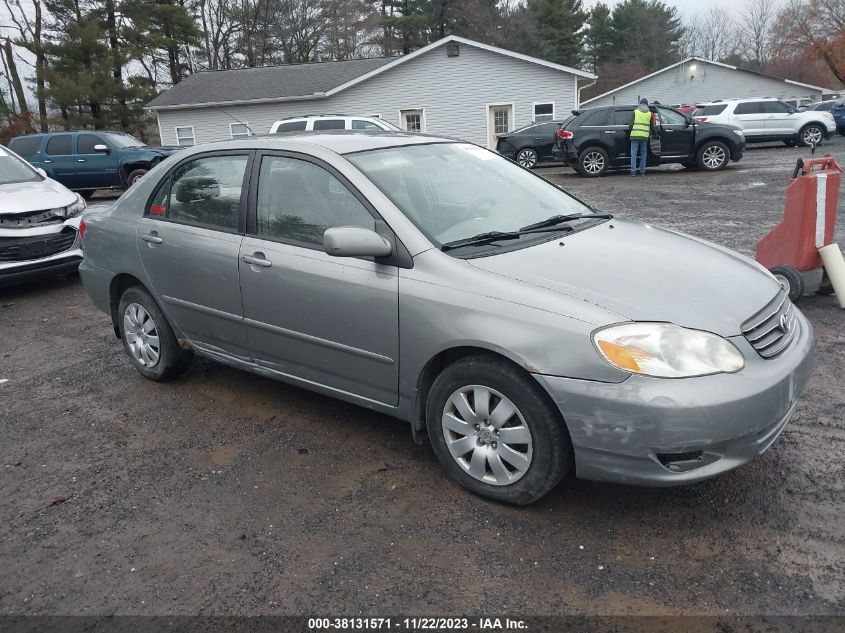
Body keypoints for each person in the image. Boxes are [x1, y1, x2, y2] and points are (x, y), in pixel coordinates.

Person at [629, 98, 655, 175]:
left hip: (635, 136)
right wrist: (655, 133)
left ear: (640, 104)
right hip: (644, 137)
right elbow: (652, 127)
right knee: (643, 154)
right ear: (647, 105)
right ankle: (642, 171)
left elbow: (630, 125)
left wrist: (632, 131)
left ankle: (633, 172)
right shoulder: (650, 113)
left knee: (634, 154)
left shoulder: (635, 112)